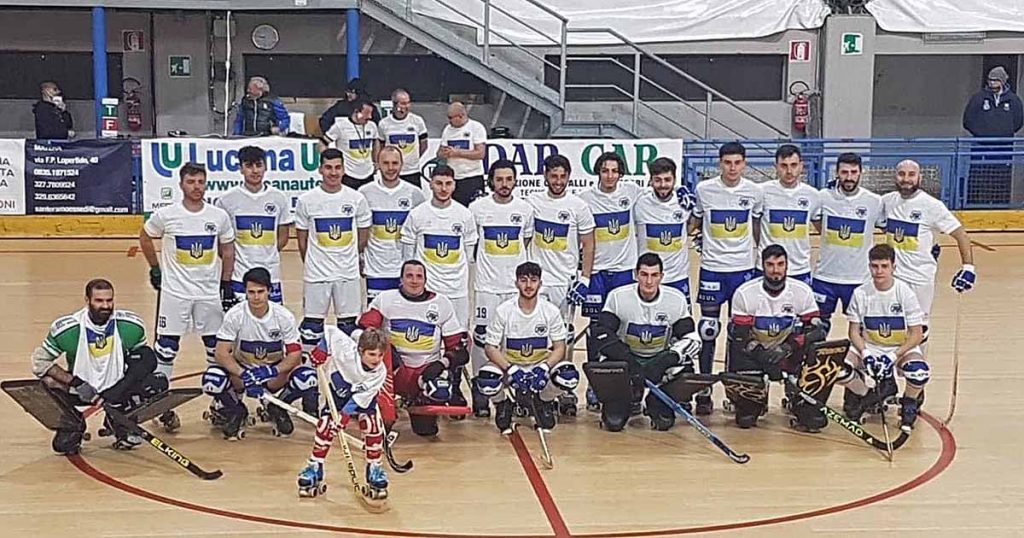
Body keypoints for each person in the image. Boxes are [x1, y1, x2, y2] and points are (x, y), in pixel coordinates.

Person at [140, 162, 235, 432]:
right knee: (166, 349)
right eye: (191, 182)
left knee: (215, 349)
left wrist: (226, 283)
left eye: (200, 182)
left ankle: (220, 403)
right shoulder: (167, 214)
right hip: (175, 293)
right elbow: (145, 236)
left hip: (208, 293)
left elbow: (228, 250)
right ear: (181, 184)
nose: (196, 187)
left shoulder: (218, 216)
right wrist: (155, 268)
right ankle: (160, 406)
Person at [31, 279, 164, 454]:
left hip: (118, 391)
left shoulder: (131, 326)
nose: (105, 306)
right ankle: (73, 424)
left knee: (156, 382)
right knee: (47, 383)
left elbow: (144, 360)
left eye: (109, 300)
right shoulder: (67, 329)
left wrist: (118, 390)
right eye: (99, 301)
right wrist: (76, 383)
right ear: (87, 300)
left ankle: (119, 420)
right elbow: (40, 363)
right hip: (80, 391)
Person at [689, 142, 763, 415]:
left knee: (739, 332)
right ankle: (704, 390)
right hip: (712, 269)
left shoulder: (754, 192)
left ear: (744, 164)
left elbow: (757, 226)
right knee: (708, 329)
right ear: (720, 163)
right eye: (727, 163)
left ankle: (736, 390)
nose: (732, 168)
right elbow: (694, 224)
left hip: (742, 270)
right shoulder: (704, 190)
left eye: (737, 163)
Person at [356, 260, 470, 437]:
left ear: (425, 280)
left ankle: (418, 402)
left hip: (425, 372)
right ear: (401, 279)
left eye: (419, 276)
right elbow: (362, 331)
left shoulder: (442, 304)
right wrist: (385, 350)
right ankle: (379, 408)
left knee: (426, 428)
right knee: (380, 428)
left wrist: (441, 364)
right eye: (409, 276)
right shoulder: (385, 299)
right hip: (393, 372)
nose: (414, 281)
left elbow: (459, 350)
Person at [589, 253, 701, 431]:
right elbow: (601, 333)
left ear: (661, 277)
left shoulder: (676, 299)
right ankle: (622, 399)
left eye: (654, 275)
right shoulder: (618, 297)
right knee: (614, 423)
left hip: (659, 360)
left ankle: (657, 402)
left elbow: (692, 339)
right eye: (644, 274)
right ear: (636, 275)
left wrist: (669, 357)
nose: (649, 281)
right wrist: (626, 358)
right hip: (627, 359)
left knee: (684, 370)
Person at [399, 164, 477, 408]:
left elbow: (469, 255)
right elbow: (408, 256)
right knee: (426, 340)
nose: (443, 188)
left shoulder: (464, 215)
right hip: (428, 292)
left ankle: (453, 388)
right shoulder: (418, 214)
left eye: (448, 184)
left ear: (454, 185)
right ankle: (420, 387)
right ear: (431, 184)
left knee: (457, 343)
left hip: (456, 291)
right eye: (439, 183)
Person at [726, 245, 824, 430]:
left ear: (787, 266)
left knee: (818, 349)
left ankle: (799, 398)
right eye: (770, 265)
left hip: (788, 352)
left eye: (780, 264)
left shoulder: (802, 291)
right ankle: (754, 398)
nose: (775, 270)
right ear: (762, 266)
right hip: (755, 354)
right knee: (746, 420)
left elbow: (816, 331)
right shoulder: (744, 293)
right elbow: (740, 336)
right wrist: (762, 354)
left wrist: (787, 348)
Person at [882, 160, 976, 353]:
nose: (906, 179)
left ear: (920, 177)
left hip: (920, 279)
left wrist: (968, 268)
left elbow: (961, 235)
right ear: (895, 176)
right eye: (901, 174)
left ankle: (917, 368)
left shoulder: (932, 205)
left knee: (919, 328)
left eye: (911, 174)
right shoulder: (887, 201)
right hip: (893, 278)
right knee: (889, 325)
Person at [205, 268, 310, 440]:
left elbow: (295, 354)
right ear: (245, 292)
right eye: (251, 292)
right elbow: (221, 352)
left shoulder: (284, 316)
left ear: (269, 291)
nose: (256, 297)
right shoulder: (235, 315)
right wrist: (243, 374)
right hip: (242, 372)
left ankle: (278, 407)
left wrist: (272, 371)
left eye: (260, 291)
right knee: (212, 379)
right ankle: (236, 410)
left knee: (306, 378)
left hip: (273, 373)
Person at [527, 154, 595, 413]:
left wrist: (585, 279)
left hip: (565, 283)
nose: (558, 181)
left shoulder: (578, 206)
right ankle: (535, 388)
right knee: (535, 334)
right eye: (553, 176)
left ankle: (564, 390)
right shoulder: (532, 202)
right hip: (538, 283)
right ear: (545, 176)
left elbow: (588, 244)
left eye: (562, 176)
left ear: (568, 177)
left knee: (564, 337)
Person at [468, 160, 534, 417]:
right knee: (482, 337)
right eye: (499, 179)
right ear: (491, 181)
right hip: (486, 286)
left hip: (514, 287)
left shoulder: (524, 209)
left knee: (515, 337)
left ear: (515, 181)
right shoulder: (477, 208)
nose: (504, 184)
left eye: (509, 179)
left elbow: (525, 240)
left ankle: (518, 388)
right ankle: (480, 388)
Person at [294, 149, 372, 367]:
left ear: (344, 169)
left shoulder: (356, 199)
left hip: (347, 274)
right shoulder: (306, 200)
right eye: (328, 167)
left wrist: (349, 258)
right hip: (316, 275)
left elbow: (363, 236)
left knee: (348, 326)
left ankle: (345, 371)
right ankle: (309, 372)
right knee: (311, 327)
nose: (333, 172)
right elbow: (302, 240)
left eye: (338, 167)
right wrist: (314, 263)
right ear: (320, 169)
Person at [476, 262, 574, 433]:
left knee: (568, 375)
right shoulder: (504, 310)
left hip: (539, 364)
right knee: (487, 378)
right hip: (510, 365)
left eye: (533, 280)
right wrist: (511, 369)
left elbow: (560, 347)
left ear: (540, 284)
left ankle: (543, 401)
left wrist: (544, 368)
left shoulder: (550, 311)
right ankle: (502, 404)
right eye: (523, 280)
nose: (528, 285)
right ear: (516, 283)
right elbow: (490, 347)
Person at [840, 244, 928, 432]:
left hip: (899, 348)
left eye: (884, 266)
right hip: (870, 346)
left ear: (893, 267)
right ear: (869, 266)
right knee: (837, 369)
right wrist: (866, 354)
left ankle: (909, 403)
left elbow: (917, 334)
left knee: (919, 373)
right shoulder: (860, 293)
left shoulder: (905, 293)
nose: (879, 271)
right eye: (875, 266)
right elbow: (853, 332)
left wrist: (893, 356)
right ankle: (868, 395)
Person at [298, 327, 391, 498]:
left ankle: (374, 466)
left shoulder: (380, 373)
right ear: (360, 351)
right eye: (372, 354)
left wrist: (345, 416)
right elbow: (330, 331)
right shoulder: (346, 349)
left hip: (361, 397)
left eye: (380, 355)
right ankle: (315, 466)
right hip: (338, 391)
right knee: (326, 426)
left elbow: (359, 400)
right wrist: (321, 349)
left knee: (372, 425)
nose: (377, 360)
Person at [811, 152, 886, 333]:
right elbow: (816, 220)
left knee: (862, 330)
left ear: (861, 172)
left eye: (853, 172)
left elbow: (888, 228)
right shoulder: (823, 197)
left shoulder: (874, 201)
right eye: (844, 172)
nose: (849, 177)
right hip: (825, 277)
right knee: (815, 329)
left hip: (859, 279)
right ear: (837, 173)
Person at [579, 152, 644, 352]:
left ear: (620, 174)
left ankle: (623, 367)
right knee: (595, 324)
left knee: (624, 321)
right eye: (605, 171)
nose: (610, 175)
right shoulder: (584, 199)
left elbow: (659, 195)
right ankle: (593, 367)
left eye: (614, 171)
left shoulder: (632, 191)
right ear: (598, 172)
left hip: (623, 271)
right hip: (597, 272)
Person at [215, 145, 292, 304]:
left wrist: (266, 253)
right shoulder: (226, 200)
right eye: (249, 166)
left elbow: (283, 236)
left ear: (265, 167)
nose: (255, 170)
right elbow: (221, 243)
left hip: (271, 274)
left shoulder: (279, 198)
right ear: (241, 169)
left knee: (271, 317)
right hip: (239, 275)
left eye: (259, 165)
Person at [358, 146, 427, 304]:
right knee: (377, 315)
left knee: (405, 314)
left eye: (395, 163)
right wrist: (360, 258)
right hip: (376, 270)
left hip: (405, 270)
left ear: (402, 164)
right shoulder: (364, 193)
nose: (390, 168)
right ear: (378, 164)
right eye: (386, 163)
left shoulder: (415, 193)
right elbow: (360, 230)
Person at [758, 144, 820, 284]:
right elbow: (755, 224)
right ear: (776, 167)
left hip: (799, 269)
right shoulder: (761, 191)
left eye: (793, 165)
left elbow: (821, 228)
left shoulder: (813, 195)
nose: (789, 171)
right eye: (784, 166)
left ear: (801, 166)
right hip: (767, 268)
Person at [633, 157, 693, 303]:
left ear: (675, 180)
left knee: (682, 317)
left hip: (678, 277)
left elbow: (695, 224)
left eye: (667, 180)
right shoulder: (639, 201)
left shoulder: (685, 202)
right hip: (648, 278)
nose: (663, 185)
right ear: (651, 181)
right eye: (658, 180)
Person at [322, 99, 381, 190]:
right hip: (349, 174)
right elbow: (323, 142)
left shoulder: (372, 126)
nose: (369, 117)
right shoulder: (340, 126)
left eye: (371, 114)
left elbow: (376, 142)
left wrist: (376, 162)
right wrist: (329, 162)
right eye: (366, 113)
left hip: (368, 173)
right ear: (357, 112)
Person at [437, 102, 487, 206]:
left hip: (472, 176)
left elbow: (480, 153)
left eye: (451, 118)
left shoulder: (476, 127)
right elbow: (440, 152)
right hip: (453, 177)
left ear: (461, 116)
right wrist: (443, 153)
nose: (449, 121)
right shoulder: (447, 129)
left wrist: (457, 152)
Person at [377, 89, 429, 188]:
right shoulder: (384, 123)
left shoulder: (417, 121)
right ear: (394, 104)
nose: (406, 106)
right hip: (392, 172)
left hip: (412, 171)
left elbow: (424, 144)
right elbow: (381, 146)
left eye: (408, 103)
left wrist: (412, 159)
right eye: (403, 103)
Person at [963, 66, 1023, 138]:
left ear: (1002, 82)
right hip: (981, 142)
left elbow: (1019, 121)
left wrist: (1007, 131)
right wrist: (979, 133)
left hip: (1005, 143)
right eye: (990, 80)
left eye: (996, 80)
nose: (992, 83)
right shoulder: (978, 98)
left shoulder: (1013, 99)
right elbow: (968, 119)